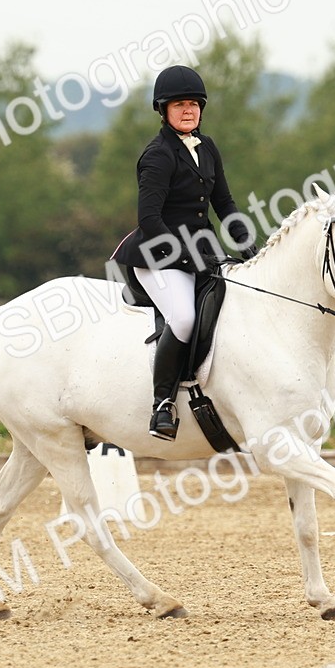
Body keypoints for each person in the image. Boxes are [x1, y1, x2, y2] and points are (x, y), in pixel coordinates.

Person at [111, 65, 257, 441]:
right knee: (184, 318)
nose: (188, 110)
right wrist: (186, 257)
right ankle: (162, 404)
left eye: (193, 103)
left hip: (202, 250)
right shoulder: (158, 155)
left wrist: (245, 241)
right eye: (179, 105)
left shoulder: (207, 148)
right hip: (158, 255)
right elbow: (149, 218)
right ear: (164, 111)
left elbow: (223, 202)